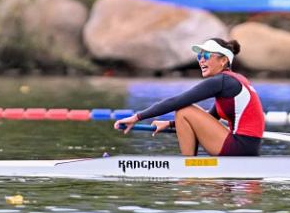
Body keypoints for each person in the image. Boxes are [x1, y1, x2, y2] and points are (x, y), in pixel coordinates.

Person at [113, 37, 264, 156]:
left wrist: (137, 117)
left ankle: (187, 167)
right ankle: (190, 166)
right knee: (184, 112)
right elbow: (211, 117)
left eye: (206, 55)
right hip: (247, 147)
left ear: (223, 60)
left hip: (240, 147)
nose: (201, 60)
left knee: (184, 110)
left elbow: (177, 101)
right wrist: (171, 124)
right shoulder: (232, 81)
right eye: (199, 56)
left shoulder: (223, 81)